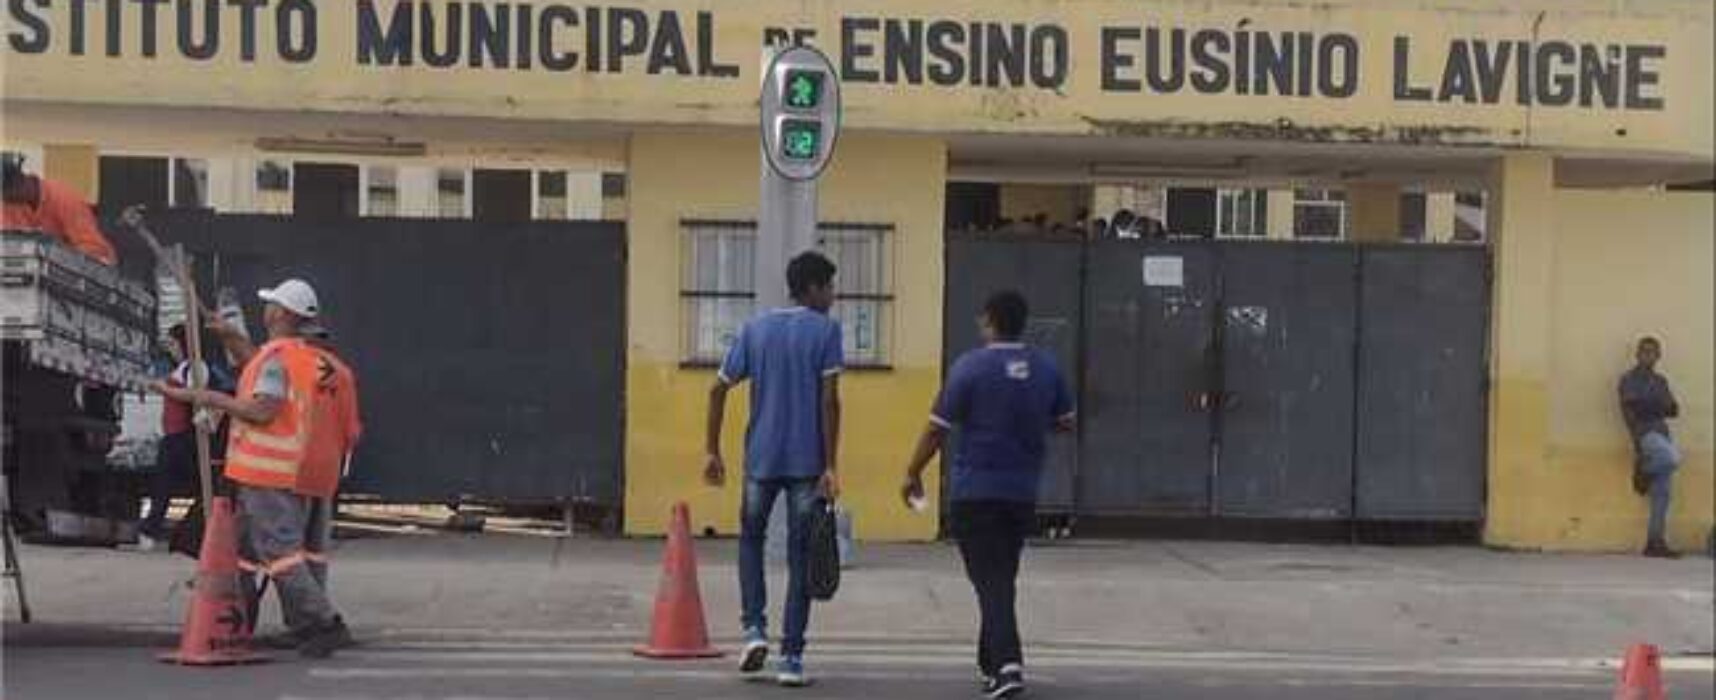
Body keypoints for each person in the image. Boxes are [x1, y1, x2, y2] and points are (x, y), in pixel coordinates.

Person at [155, 278, 355, 657]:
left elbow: (262, 408)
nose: (265, 309)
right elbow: (261, 369)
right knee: (284, 553)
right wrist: (231, 337)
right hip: (314, 472)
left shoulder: (279, 360)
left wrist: (201, 396)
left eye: (270, 304)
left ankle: (324, 622)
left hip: (271, 473)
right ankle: (260, 622)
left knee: (279, 554)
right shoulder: (323, 363)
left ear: (280, 313)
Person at [901, 290, 1074, 700]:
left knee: (990, 579)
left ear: (989, 321)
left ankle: (1009, 664)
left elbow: (936, 428)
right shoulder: (1046, 368)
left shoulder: (969, 368)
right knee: (1000, 577)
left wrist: (912, 472)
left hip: (975, 491)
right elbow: (1066, 421)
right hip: (1020, 492)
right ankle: (989, 661)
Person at [704, 251, 843, 687]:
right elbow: (829, 401)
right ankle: (792, 660)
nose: (834, 296)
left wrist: (712, 450)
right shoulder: (827, 331)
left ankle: (753, 631)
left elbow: (717, 388)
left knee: (751, 540)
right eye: (830, 287)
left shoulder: (755, 329)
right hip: (806, 463)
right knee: (801, 555)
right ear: (813, 289)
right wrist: (831, 464)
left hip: (760, 460)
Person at [1619, 337, 1682, 559]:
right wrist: (1658, 406)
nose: (1648, 356)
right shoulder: (1629, 379)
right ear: (1637, 354)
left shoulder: (1661, 381)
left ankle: (1655, 542)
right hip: (1645, 435)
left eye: (1653, 352)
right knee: (1673, 459)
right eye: (1644, 352)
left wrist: (1653, 405)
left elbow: (1674, 410)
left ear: (1659, 356)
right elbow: (1633, 408)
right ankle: (1644, 469)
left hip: (1663, 434)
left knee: (1662, 496)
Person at [2, 152, 118, 265]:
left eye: (6, 195)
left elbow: (94, 249)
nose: (4, 200)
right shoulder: (8, 203)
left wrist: (55, 260)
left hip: (85, 272)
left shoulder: (64, 198)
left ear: (19, 182)